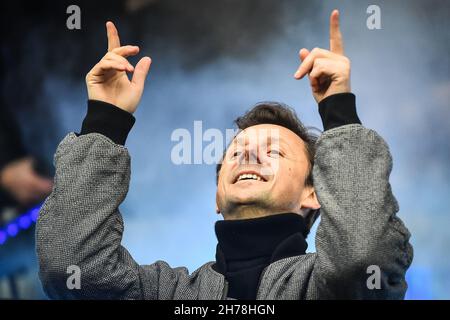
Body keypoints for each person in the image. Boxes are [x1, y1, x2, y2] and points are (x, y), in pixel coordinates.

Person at [36, 10, 413, 299]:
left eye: (274, 151)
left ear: (314, 193)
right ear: (217, 197)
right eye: (236, 152)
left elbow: (364, 258)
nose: (247, 156)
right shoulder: (168, 292)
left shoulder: (324, 287)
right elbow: (70, 267)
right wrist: (106, 120)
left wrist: (339, 110)